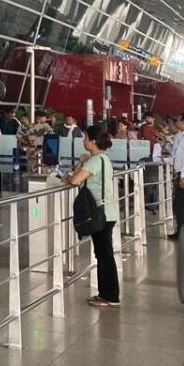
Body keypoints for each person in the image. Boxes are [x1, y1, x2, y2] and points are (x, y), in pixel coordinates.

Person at [60, 126, 120, 308]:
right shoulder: (101, 159)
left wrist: (67, 177)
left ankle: (110, 296)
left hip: (101, 213)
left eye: (85, 138)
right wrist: (82, 163)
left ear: (93, 141)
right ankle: (106, 293)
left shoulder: (96, 161)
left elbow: (76, 180)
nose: (83, 141)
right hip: (107, 211)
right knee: (103, 254)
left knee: (104, 255)